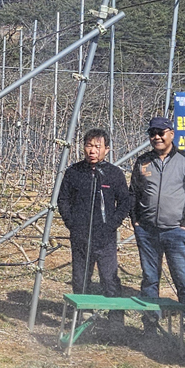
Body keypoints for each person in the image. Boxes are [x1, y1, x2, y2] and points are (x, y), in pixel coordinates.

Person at [129, 118, 185, 340]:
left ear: (171, 134)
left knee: (184, 281)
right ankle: (150, 323)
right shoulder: (142, 162)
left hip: (175, 231)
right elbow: (133, 192)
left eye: (161, 132)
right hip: (147, 231)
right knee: (150, 279)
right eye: (152, 133)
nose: (157, 137)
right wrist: (136, 221)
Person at [56, 128, 132, 307]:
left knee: (109, 279)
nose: (92, 151)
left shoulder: (114, 174)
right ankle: (82, 318)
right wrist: (71, 223)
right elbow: (63, 200)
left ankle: (115, 321)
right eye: (89, 146)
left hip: (105, 238)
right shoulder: (74, 172)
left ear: (107, 150)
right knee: (80, 279)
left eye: (97, 147)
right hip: (80, 236)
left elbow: (124, 202)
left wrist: (112, 224)